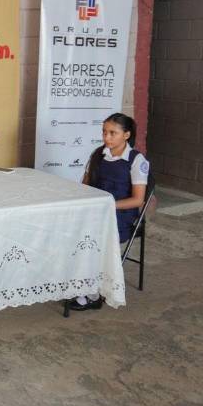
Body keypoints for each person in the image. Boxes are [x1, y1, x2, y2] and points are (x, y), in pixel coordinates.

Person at [69, 112, 149, 312]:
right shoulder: (98, 154)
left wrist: (107, 205)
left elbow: (137, 200)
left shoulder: (136, 160)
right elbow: (85, 186)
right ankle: (76, 281)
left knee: (88, 237)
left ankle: (92, 293)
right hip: (96, 211)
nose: (106, 137)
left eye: (113, 133)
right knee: (69, 228)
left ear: (127, 135)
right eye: (104, 132)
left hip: (119, 215)